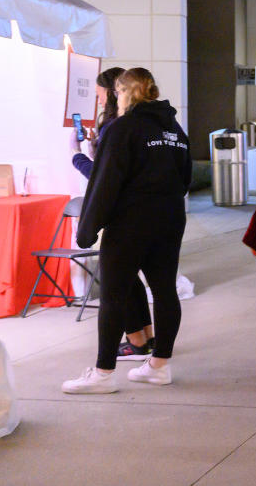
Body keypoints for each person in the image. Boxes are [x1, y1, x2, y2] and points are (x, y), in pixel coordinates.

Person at [63, 69, 190, 394]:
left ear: (123, 92)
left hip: (131, 222)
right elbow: (186, 177)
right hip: (170, 219)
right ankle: (159, 366)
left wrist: (87, 230)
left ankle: (103, 374)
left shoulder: (122, 128)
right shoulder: (174, 129)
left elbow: (106, 183)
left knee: (114, 296)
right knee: (164, 291)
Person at [69, 66, 156, 361]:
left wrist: (78, 156)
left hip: (122, 215)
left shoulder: (119, 126)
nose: (99, 101)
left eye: (100, 95)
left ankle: (124, 353)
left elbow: (102, 178)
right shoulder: (143, 125)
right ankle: (145, 339)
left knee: (116, 284)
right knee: (132, 280)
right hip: (145, 214)